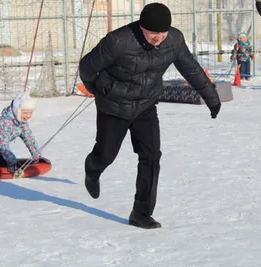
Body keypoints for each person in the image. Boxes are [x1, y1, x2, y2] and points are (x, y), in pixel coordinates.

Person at [79, 3, 221, 229]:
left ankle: (141, 213)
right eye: (154, 33)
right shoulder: (118, 41)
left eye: (163, 32)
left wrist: (211, 97)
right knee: (106, 154)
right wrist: (101, 90)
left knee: (151, 157)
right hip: (115, 106)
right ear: (141, 27)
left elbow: (190, 68)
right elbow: (86, 67)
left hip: (146, 105)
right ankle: (93, 168)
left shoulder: (173, 40)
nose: (159, 38)